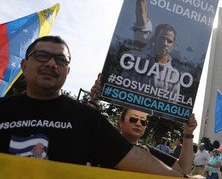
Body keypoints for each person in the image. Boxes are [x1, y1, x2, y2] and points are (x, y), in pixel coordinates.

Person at [0, 35, 191, 177]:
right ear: (24, 65)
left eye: (61, 60)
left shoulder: (86, 119)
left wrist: (181, 177)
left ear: (68, 71)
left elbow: (131, 155)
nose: (51, 64)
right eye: (42, 56)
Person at [91, 74, 198, 175]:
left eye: (143, 121)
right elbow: (85, 131)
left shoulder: (148, 153)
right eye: (133, 119)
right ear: (120, 121)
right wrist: (94, 101)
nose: (138, 124)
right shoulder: (105, 143)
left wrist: (188, 133)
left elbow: (183, 169)